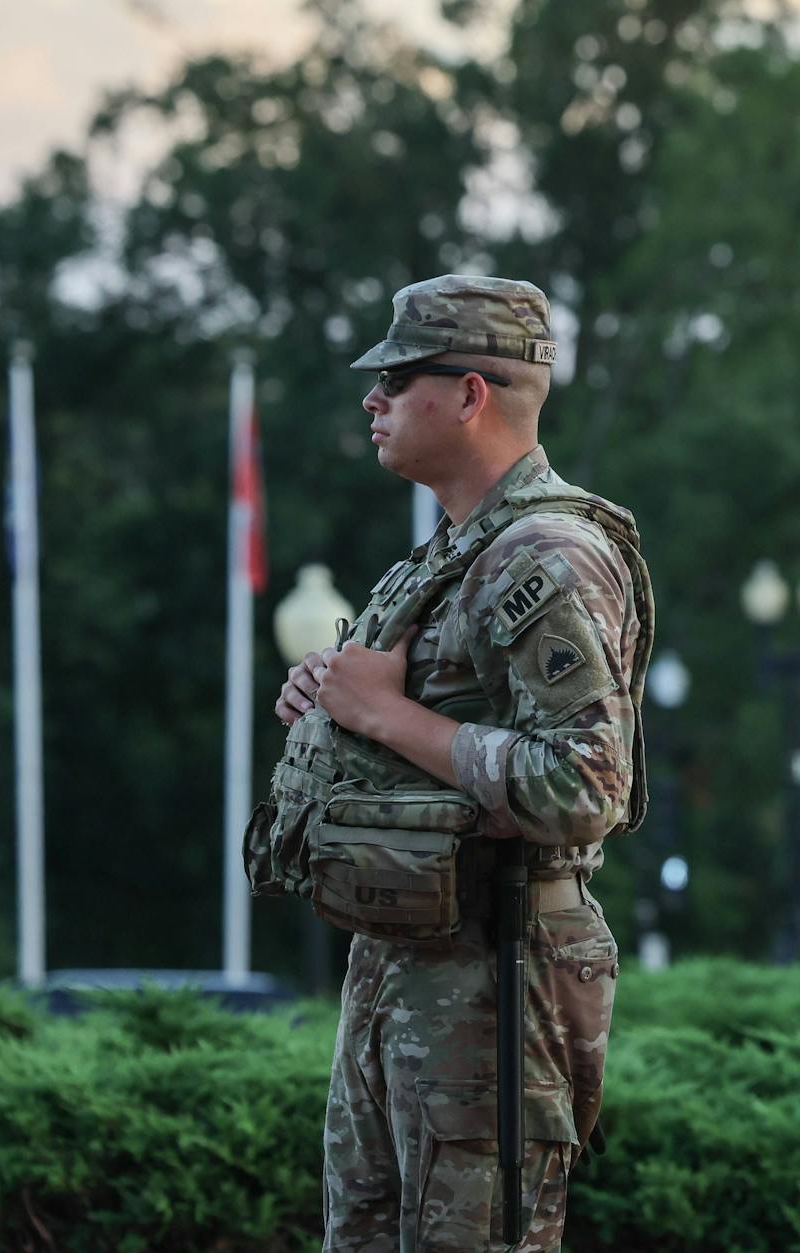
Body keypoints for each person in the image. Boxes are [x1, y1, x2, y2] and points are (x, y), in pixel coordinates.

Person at [254, 274, 654, 1251]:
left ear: (470, 394)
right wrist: (333, 706)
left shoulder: (544, 555)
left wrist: (386, 715)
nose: (372, 397)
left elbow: (588, 784)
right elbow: (411, 718)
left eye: (397, 377)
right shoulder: (446, 555)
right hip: (410, 958)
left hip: (498, 965)